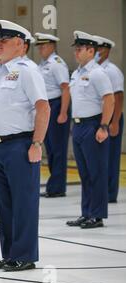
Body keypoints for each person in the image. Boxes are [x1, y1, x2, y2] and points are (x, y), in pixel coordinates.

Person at [0, 20, 50, 272]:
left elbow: (43, 107)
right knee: (5, 205)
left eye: (5, 40)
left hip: (20, 145)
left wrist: (37, 142)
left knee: (23, 203)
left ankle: (24, 255)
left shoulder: (27, 70)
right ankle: (10, 253)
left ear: (20, 45)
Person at [66, 31, 114, 229]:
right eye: (76, 49)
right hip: (78, 126)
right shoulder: (77, 73)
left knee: (97, 173)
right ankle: (86, 213)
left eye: (80, 49)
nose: (76, 53)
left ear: (91, 50)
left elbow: (109, 99)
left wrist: (104, 126)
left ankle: (97, 215)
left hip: (93, 125)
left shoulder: (98, 73)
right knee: (85, 174)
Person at [35, 33, 71, 198]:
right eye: (39, 46)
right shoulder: (43, 64)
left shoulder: (57, 64)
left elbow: (65, 88)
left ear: (52, 46)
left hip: (57, 105)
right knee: (50, 148)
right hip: (47, 106)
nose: (40, 49)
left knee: (58, 149)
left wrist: (63, 112)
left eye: (43, 46)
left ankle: (57, 187)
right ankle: (54, 185)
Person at [93, 35, 124, 204]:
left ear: (108, 50)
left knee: (111, 157)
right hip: (101, 116)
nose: (98, 52)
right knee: (100, 157)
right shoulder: (93, 70)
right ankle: (102, 192)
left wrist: (115, 122)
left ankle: (110, 193)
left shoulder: (112, 70)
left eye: (101, 49)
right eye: (96, 48)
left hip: (112, 117)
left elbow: (118, 97)